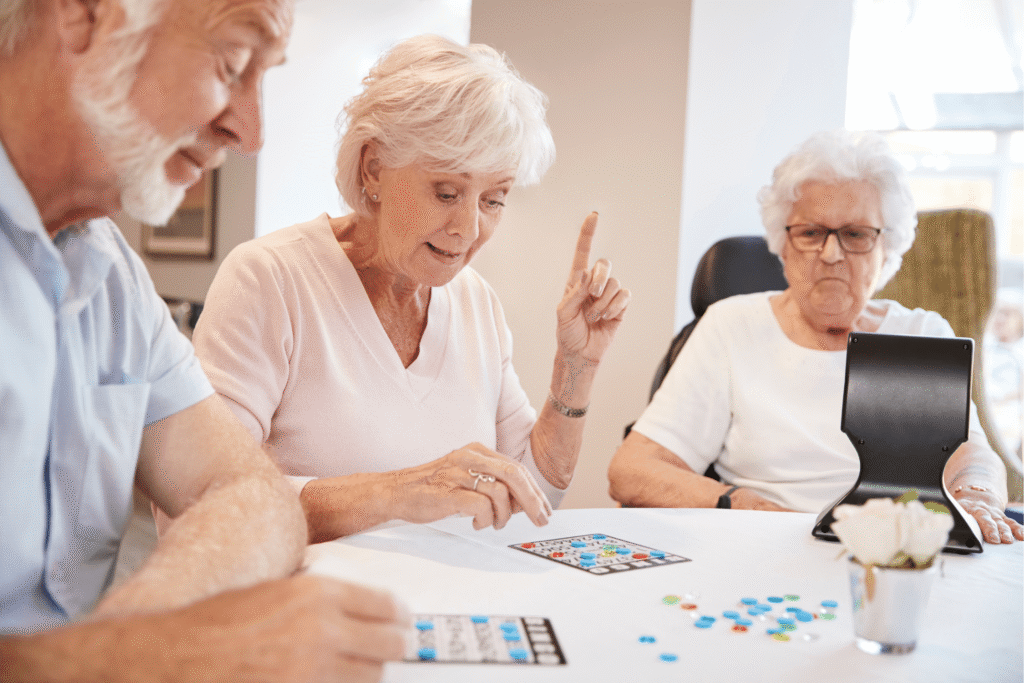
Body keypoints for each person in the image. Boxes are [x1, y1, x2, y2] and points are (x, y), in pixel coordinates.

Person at [0, 0, 409, 680]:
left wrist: (132, 640)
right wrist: (141, 655)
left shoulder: (110, 276)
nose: (250, 133)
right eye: (230, 65)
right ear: (83, 15)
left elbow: (252, 492)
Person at [190, 35, 630, 543]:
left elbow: (530, 493)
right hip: (311, 609)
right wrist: (399, 493)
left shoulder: (477, 303)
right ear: (373, 168)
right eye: (447, 192)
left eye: (494, 200)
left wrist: (577, 367)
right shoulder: (269, 279)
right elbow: (204, 501)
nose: (468, 228)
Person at [608, 130, 1023, 545]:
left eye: (856, 234)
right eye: (810, 233)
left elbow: (970, 455)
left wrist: (979, 498)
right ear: (782, 245)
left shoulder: (920, 333)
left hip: (893, 555)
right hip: (761, 546)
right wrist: (749, 508)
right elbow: (634, 470)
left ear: (888, 247)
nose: (831, 254)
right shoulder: (731, 326)